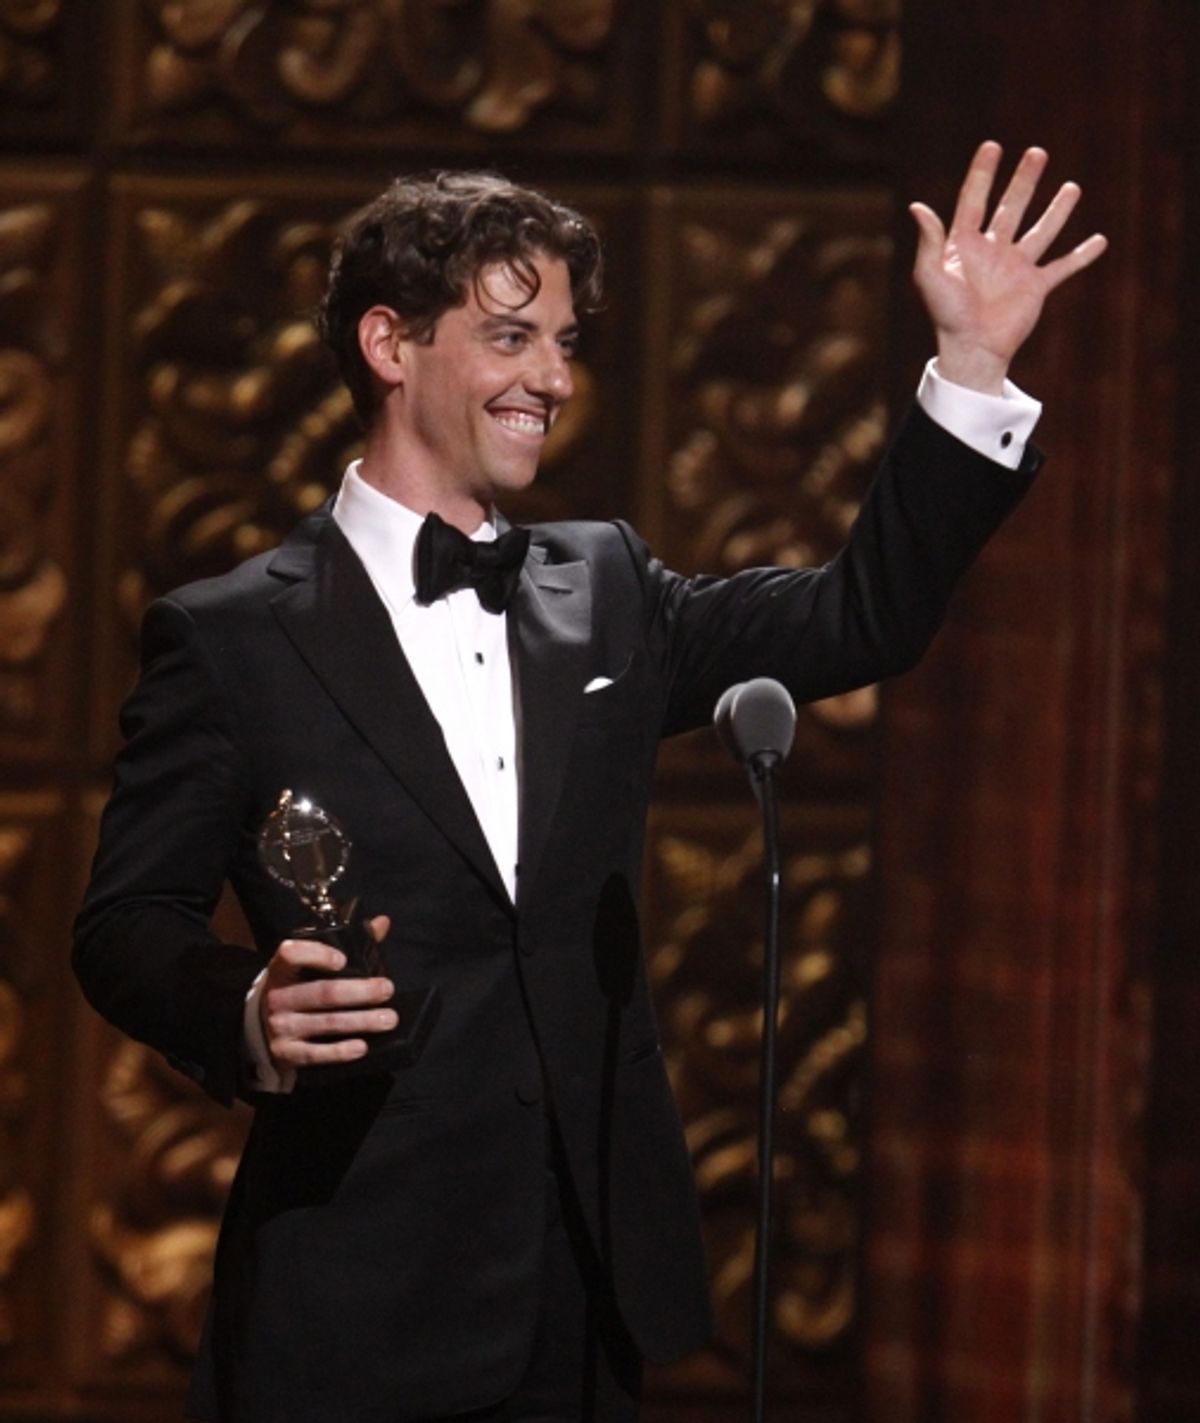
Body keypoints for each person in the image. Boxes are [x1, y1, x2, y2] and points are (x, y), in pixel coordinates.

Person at [74, 143, 1106, 1423]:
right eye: (511, 337)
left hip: (584, 1302)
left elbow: (861, 617)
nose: (554, 379)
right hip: (356, 1297)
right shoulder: (231, 638)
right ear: (390, 344)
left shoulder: (607, 587)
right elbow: (124, 924)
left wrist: (972, 370)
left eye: (563, 343)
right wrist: (246, 1008)